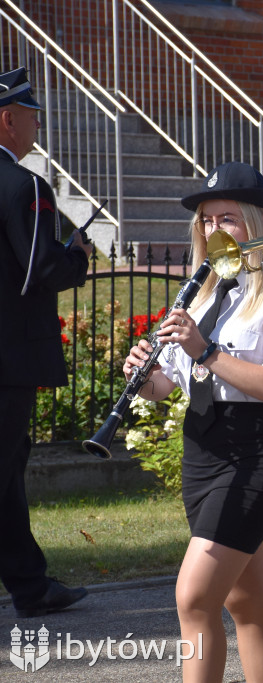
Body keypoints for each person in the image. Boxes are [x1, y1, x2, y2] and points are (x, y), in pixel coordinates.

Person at [122, 161, 263, 682]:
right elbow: (174, 384)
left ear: (255, 221)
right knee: (245, 605)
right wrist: (146, 376)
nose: (213, 231)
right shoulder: (204, 290)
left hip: (257, 451)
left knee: (193, 596)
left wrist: (203, 350)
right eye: (206, 221)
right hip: (203, 449)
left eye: (226, 219)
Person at [0, 66, 92, 618]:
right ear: (7, 121)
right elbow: (37, 270)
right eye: (32, 115)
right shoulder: (26, 184)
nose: (38, 125)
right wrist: (75, 255)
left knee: (8, 471)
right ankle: (31, 585)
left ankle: (30, 585)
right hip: (8, 359)